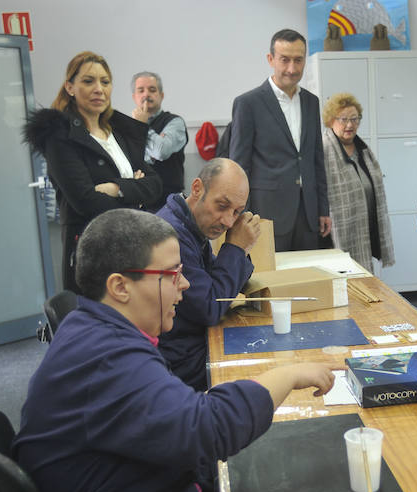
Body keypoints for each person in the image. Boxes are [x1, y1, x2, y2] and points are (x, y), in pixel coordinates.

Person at [10, 208, 336, 492]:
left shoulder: (96, 332)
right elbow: (205, 430)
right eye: (169, 275)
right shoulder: (105, 360)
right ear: (120, 287)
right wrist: (288, 375)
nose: (183, 285)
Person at [23, 51, 163, 294]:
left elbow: (154, 184)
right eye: (88, 81)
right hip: (94, 249)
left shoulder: (117, 130)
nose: (99, 89)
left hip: (132, 242)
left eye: (105, 82)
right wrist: (135, 195)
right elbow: (85, 200)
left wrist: (117, 189)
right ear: (70, 87)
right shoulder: (60, 135)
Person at [156, 158, 261, 390]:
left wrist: (238, 250)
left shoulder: (191, 223)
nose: (228, 221)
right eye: (222, 206)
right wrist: (236, 248)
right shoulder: (172, 234)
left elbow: (222, 283)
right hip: (179, 361)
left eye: (237, 212)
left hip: (190, 344)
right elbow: (212, 306)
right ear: (197, 188)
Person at [229, 29, 331, 251]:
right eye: (284, 60)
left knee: (307, 278)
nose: (292, 69)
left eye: (298, 60)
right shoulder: (249, 103)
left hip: (308, 213)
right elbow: (239, 166)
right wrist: (241, 216)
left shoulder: (311, 102)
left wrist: (323, 208)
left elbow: (316, 159)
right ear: (271, 59)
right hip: (266, 214)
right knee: (271, 282)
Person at [321, 92, 395, 272]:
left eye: (355, 119)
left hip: (364, 226)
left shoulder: (363, 149)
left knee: (363, 276)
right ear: (331, 120)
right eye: (343, 119)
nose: (349, 125)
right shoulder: (323, 148)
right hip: (338, 231)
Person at [131, 70, 188, 198]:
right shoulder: (127, 127)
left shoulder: (175, 122)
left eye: (152, 90)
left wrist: (142, 126)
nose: (146, 94)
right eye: (141, 90)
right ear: (134, 96)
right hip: (139, 200)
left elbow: (161, 151)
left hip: (168, 202)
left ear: (161, 95)